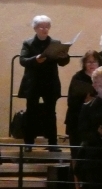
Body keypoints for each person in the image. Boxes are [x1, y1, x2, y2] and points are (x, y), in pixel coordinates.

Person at [18, 15, 70, 149]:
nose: (45, 29)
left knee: (50, 113)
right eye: (41, 27)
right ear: (35, 28)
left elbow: (63, 63)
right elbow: (22, 60)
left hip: (50, 83)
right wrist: (35, 59)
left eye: (47, 26)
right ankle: (29, 143)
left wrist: (64, 57)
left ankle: (52, 143)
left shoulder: (55, 43)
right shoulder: (28, 43)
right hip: (33, 83)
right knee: (31, 113)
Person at [66, 50, 101, 148]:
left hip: (95, 119)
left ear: (99, 63)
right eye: (89, 62)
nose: (91, 64)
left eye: (94, 61)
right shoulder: (78, 77)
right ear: (84, 63)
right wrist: (84, 101)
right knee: (76, 149)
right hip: (77, 117)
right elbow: (71, 101)